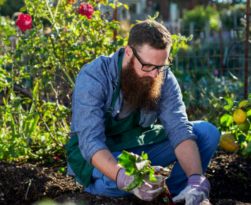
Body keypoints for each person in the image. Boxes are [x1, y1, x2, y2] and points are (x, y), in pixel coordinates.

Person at [66, 20, 219, 205]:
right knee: (119, 182)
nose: (155, 75)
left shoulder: (163, 77)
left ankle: (180, 194)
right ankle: (100, 188)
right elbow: (90, 141)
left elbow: (179, 128)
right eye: (148, 66)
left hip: (137, 148)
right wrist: (123, 176)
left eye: (162, 66)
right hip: (99, 153)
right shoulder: (94, 76)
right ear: (129, 52)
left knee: (207, 133)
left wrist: (196, 178)